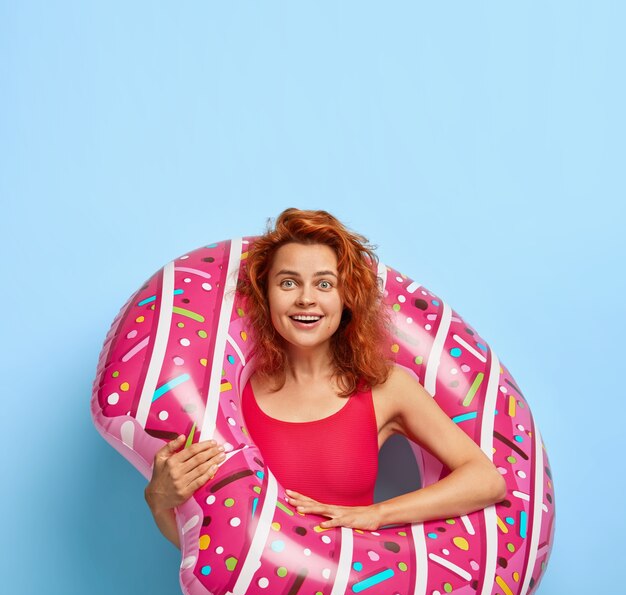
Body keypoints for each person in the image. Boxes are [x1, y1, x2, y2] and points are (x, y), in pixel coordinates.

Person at [145, 208, 506, 548]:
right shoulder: (230, 400)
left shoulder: (385, 387)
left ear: (346, 297)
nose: (306, 299)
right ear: (266, 295)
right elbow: (210, 544)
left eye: (324, 284)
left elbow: (485, 480)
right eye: (288, 283)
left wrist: (377, 514)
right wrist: (159, 502)